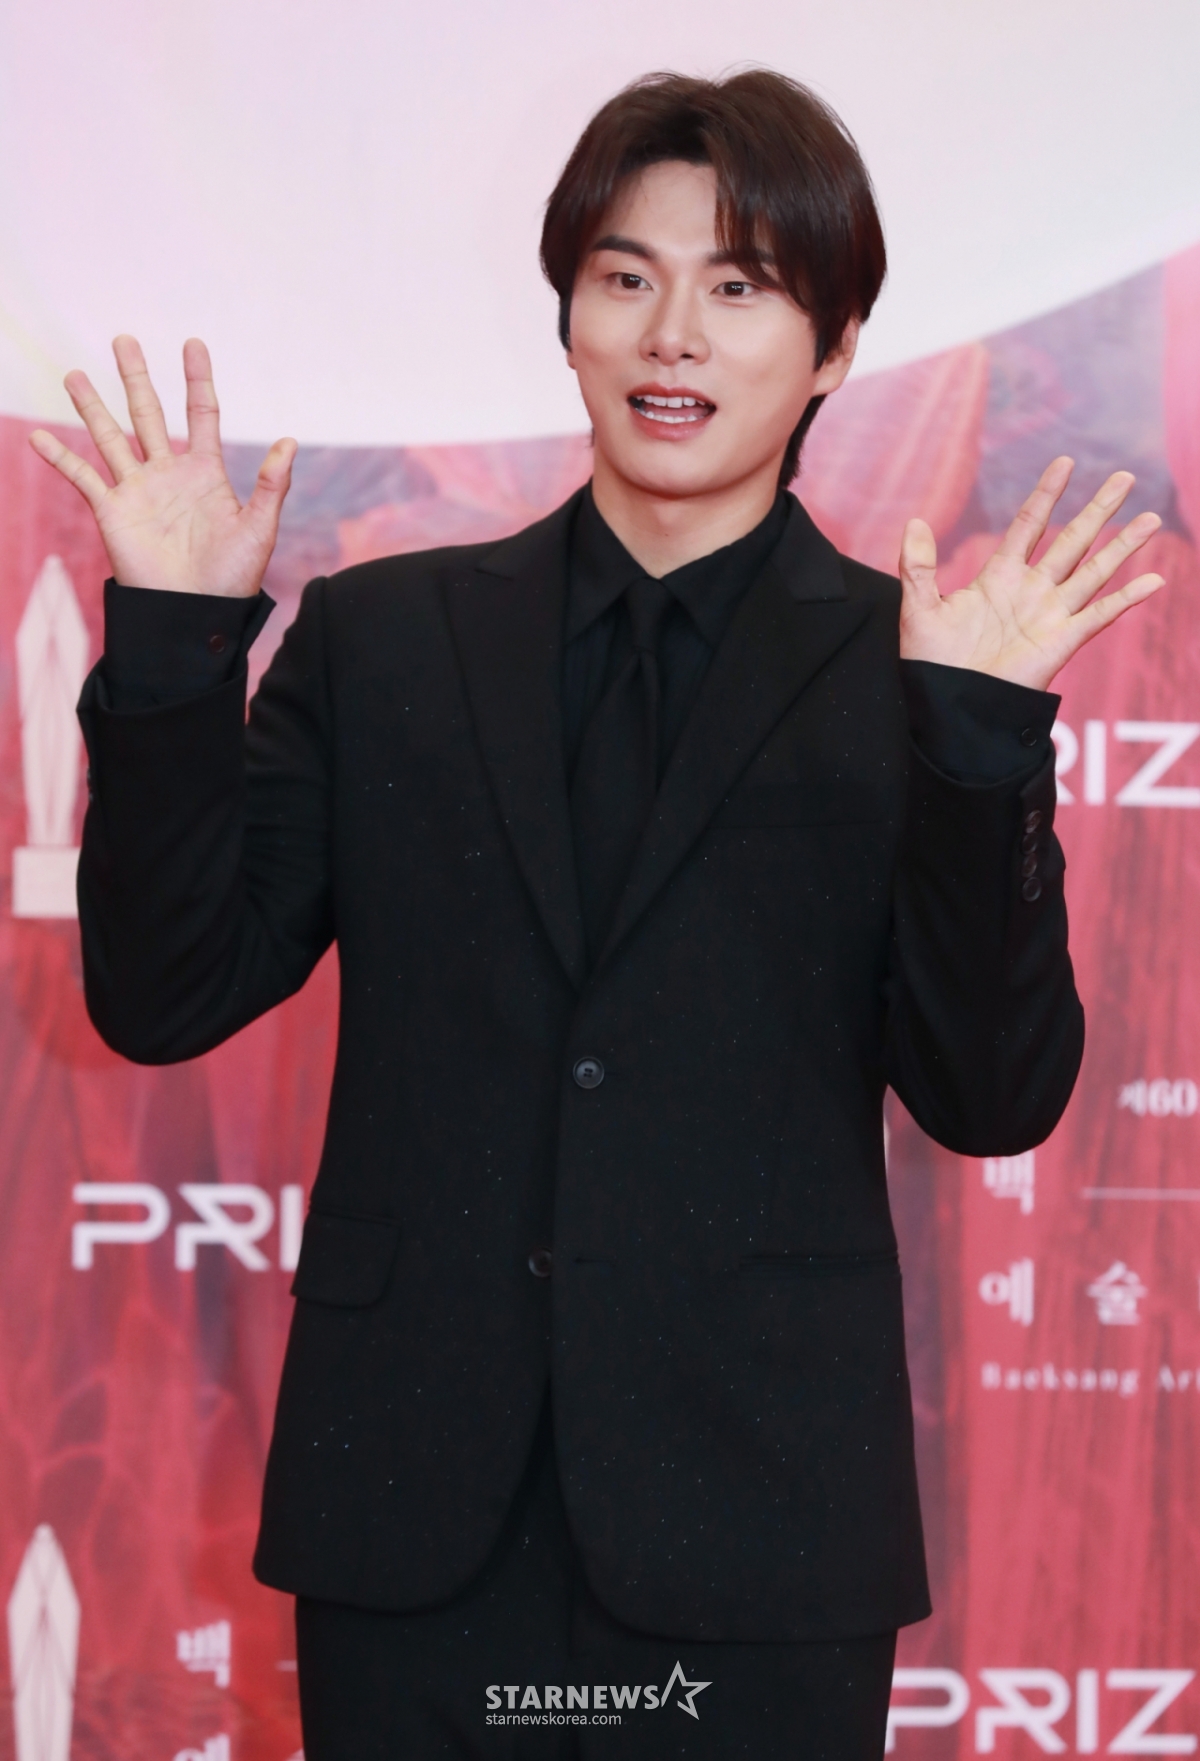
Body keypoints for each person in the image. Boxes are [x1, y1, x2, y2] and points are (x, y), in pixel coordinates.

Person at [32, 69, 1163, 1761]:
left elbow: (990, 1092)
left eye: (741, 288)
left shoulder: (915, 673)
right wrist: (181, 641)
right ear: (567, 315)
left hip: (759, 1525)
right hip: (414, 1515)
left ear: (838, 346)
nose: (674, 337)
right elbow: (166, 986)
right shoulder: (382, 640)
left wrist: (980, 747)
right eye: (627, 278)